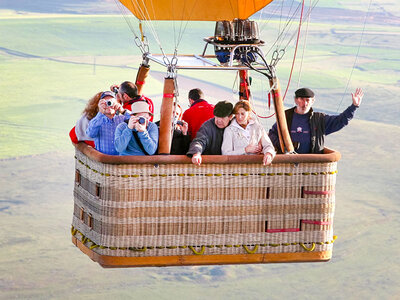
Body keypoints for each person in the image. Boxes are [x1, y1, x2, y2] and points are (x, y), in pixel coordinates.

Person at [268, 87, 364, 154]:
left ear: (312, 101)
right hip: (288, 164)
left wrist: (354, 107)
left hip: (312, 165)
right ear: (296, 100)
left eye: (307, 100)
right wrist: (284, 146)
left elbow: (340, 121)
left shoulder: (319, 119)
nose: (304, 103)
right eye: (301, 99)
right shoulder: (286, 117)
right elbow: (272, 134)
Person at [222, 100, 275, 165]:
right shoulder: (229, 130)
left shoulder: (257, 127)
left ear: (249, 113)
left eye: (242, 114)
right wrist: (245, 150)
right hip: (237, 168)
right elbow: (225, 153)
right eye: (237, 114)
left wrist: (268, 154)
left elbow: (268, 145)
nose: (239, 117)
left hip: (257, 167)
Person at [187, 100, 234, 166]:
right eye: (217, 116)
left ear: (230, 117)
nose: (219, 120)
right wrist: (196, 153)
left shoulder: (236, 126)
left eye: (223, 117)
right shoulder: (207, 126)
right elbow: (199, 141)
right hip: (210, 165)